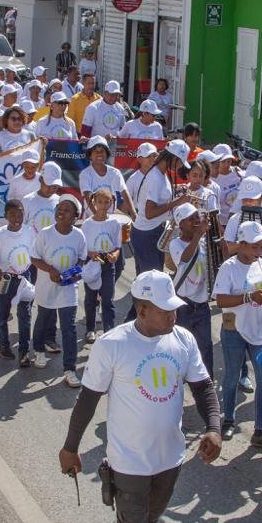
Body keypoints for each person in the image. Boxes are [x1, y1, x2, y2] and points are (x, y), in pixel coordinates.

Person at [58, 270, 222, 523]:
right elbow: (87, 401)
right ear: (143, 309)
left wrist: (214, 428)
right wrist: (71, 447)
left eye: (174, 308)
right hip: (128, 460)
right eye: (166, 310)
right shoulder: (112, 345)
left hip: (169, 458)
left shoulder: (183, 340)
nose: (173, 315)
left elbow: (204, 389)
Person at [214, 221, 262, 450]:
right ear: (241, 245)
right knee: (232, 377)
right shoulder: (228, 268)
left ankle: (260, 431)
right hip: (234, 332)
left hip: (261, 332)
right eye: (254, 246)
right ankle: (229, 420)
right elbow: (220, 300)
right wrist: (249, 297)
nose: (259, 251)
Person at [30, 195, 88, 386]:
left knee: (69, 329)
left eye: (67, 210)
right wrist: (51, 270)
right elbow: (34, 258)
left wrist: (76, 271)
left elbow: (81, 258)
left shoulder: (79, 236)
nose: (61, 212)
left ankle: (69, 369)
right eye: (59, 208)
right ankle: (38, 350)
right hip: (46, 288)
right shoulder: (45, 234)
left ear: (75, 216)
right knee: (43, 321)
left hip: (68, 289)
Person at [0, 198, 36, 364]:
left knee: (25, 314)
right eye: (12, 214)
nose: (17, 218)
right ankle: (4, 345)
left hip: (25, 278)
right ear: (6, 216)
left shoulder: (30, 231)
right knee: (3, 313)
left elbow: (35, 253)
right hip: (6, 279)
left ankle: (24, 351)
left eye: (20, 213)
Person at [167, 203, 215, 378]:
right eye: (191, 219)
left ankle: (206, 385)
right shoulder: (175, 244)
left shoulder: (203, 241)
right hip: (183, 305)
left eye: (197, 217)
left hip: (202, 305)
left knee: (205, 348)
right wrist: (197, 235)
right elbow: (185, 259)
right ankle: (179, 382)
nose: (196, 221)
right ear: (181, 224)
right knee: (181, 348)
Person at [125, 143, 179, 276]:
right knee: (151, 281)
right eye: (148, 156)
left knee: (149, 278)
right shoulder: (151, 177)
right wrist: (175, 203)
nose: (152, 158)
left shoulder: (160, 174)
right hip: (146, 232)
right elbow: (148, 212)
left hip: (154, 231)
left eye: (154, 155)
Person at [81, 187, 123, 343]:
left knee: (107, 298)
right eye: (100, 202)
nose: (103, 205)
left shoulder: (114, 223)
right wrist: (90, 253)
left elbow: (118, 245)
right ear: (94, 202)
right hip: (93, 262)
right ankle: (90, 329)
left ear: (111, 203)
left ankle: (109, 330)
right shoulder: (87, 224)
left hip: (107, 263)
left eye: (107, 202)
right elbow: (82, 246)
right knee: (91, 298)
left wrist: (115, 255)